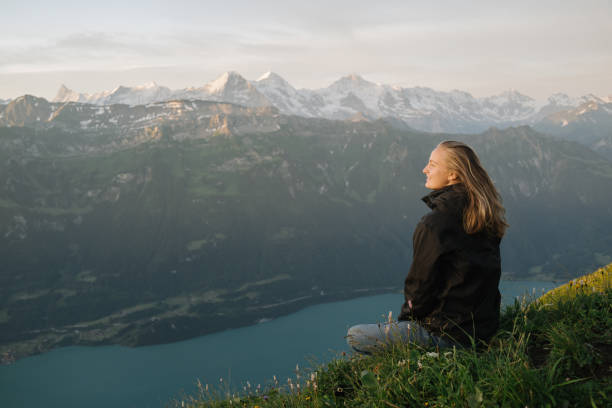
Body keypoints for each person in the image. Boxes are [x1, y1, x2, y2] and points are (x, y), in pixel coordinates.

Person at [346, 140, 508, 354]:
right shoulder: (483, 214)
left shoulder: (435, 224)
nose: (424, 169)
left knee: (355, 336)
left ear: (453, 174)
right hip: (483, 330)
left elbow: (419, 286)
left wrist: (406, 324)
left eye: (432, 164)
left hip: (449, 336)